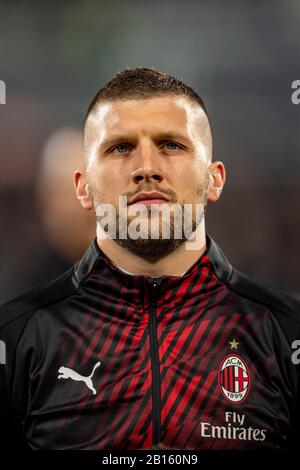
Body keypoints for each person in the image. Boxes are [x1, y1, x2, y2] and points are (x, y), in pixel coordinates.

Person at [0, 67, 299, 450]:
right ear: (83, 189)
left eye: (171, 145)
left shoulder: (285, 336)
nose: (147, 169)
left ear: (215, 179)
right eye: (121, 147)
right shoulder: (17, 340)